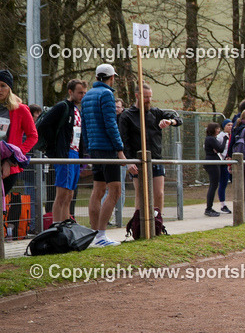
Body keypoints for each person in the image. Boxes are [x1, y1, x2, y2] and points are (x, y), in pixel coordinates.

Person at [82, 63, 128, 247]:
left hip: (94, 148)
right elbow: (111, 124)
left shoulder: (87, 96)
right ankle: (101, 235)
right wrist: (120, 149)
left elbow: (85, 126)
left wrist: (88, 148)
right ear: (111, 78)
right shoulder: (107, 94)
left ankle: (95, 235)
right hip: (107, 149)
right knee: (115, 190)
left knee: (98, 189)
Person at [119, 82, 181, 217]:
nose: (148, 100)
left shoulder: (156, 112)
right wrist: (129, 161)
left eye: (150, 97)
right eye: (146, 97)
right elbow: (124, 142)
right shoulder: (127, 116)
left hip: (156, 158)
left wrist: (169, 122)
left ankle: (157, 221)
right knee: (141, 194)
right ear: (137, 96)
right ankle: (139, 223)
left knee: (159, 193)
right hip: (138, 160)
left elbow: (178, 119)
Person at [36, 78, 87, 223]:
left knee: (70, 194)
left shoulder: (77, 110)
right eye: (79, 93)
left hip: (75, 154)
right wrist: (56, 145)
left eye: (84, 93)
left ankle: (66, 223)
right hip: (65, 154)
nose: (82, 96)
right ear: (70, 92)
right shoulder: (62, 107)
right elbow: (45, 125)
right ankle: (57, 225)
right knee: (62, 193)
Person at [0, 69, 39, 194]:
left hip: (8, 164)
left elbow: (33, 136)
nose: (0, 89)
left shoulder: (20, 109)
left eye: (3, 86)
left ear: (9, 88)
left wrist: (15, 157)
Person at [202, 122, 225, 217]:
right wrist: (225, 140)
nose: (219, 130)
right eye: (217, 128)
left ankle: (209, 207)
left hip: (214, 162)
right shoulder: (210, 139)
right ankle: (208, 208)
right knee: (213, 185)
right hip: (212, 163)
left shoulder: (211, 139)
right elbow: (220, 149)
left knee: (214, 185)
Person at [216, 119, 232, 213]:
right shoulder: (220, 136)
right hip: (223, 163)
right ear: (224, 126)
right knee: (223, 182)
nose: (230, 127)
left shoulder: (233, 135)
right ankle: (223, 204)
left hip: (232, 162)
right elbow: (217, 148)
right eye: (228, 125)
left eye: (231, 125)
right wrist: (222, 158)